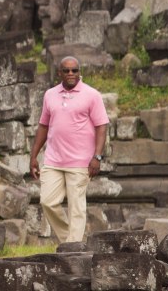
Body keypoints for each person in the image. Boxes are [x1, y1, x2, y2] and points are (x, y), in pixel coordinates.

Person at [29, 56, 109, 243]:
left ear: (79, 72)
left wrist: (97, 156)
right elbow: (43, 126)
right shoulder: (50, 95)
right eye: (66, 70)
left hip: (80, 162)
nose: (71, 74)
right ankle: (71, 242)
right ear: (59, 73)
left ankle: (72, 251)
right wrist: (34, 156)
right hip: (53, 160)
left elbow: (102, 127)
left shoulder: (92, 95)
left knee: (76, 208)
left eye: (75, 70)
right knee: (47, 201)